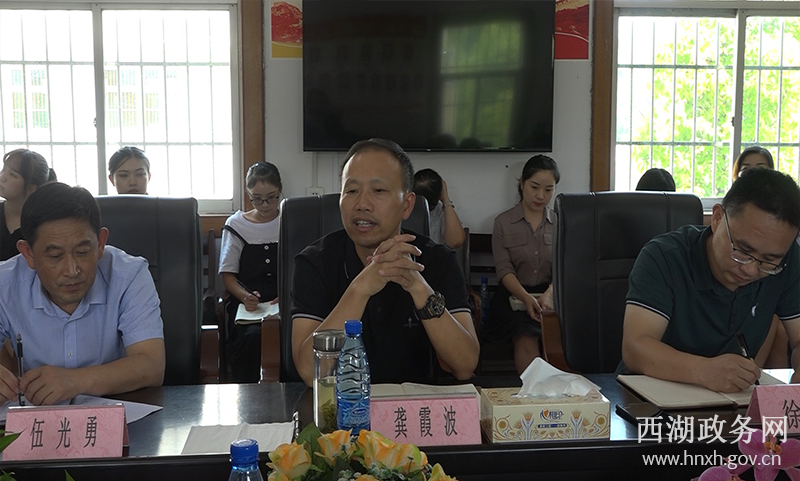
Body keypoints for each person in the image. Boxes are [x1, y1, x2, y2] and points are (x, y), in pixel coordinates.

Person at [290, 138, 479, 386]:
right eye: (351, 191)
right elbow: (309, 372)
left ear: (407, 205)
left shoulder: (438, 261)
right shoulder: (314, 262)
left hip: (415, 405)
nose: (362, 205)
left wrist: (418, 287)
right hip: (339, 406)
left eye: (378, 191)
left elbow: (464, 366)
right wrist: (360, 289)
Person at [621, 168, 800, 392]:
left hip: (733, 402)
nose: (750, 269)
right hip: (649, 399)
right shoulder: (664, 257)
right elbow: (636, 347)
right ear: (717, 218)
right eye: (742, 250)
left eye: (768, 261)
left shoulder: (787, 261)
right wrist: (703, 370)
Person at [0, 182, 165, 405]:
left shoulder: (129, 275)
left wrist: (75, 380)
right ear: (28, 253)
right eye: (55, 256)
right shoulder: (5, 284)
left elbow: (152, 365)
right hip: (38, 417)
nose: (72, 270)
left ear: (100, 243)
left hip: (117, 413)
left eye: (82, 252)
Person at [487, 155, 559, 374]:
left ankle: (564, 392)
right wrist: (526, 298)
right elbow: (504, 270)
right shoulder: (503, 223)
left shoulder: (560, 222)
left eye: (548, 189)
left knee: (559, 334)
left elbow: (565, 269)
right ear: (522, 183)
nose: (541, 196)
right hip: (513, 296)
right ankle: (536, 393)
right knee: (525, 333)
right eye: (534, 187)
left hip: (550, 296)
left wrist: (549, 295)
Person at [218, 161, 282, 383]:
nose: (265, 205)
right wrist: (245, 297)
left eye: (272, 197)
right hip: (247, 305)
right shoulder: (237, 225)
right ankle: (249, 393)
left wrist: (287, 294)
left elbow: (301, 269)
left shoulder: (290, 219)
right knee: (252, 336)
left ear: (280, 190)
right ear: (248, 194)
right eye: (257, 198)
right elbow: (228, 276)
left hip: (283, 302)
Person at [0, 149, 57, 261]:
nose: (2, 177)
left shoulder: (43, 225)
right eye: (3, 169)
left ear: (31, 188)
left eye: (12, 175)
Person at [412, 168, 465, 248]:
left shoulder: (441, 212)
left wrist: (446, 203)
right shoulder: (401, 209)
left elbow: (456, 241)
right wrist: (446, 199)